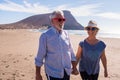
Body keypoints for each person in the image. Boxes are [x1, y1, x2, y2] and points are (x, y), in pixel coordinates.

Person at [35, 10, 76, 80]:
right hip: (53, 73)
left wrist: (74, 67)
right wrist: (38, 74)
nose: (62, 22)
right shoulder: (45, 36)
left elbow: (71, 53)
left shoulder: (66, 34)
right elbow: (40, 56)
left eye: (63, 19)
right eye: (59, 20)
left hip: (66, 72)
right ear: (52, 21)